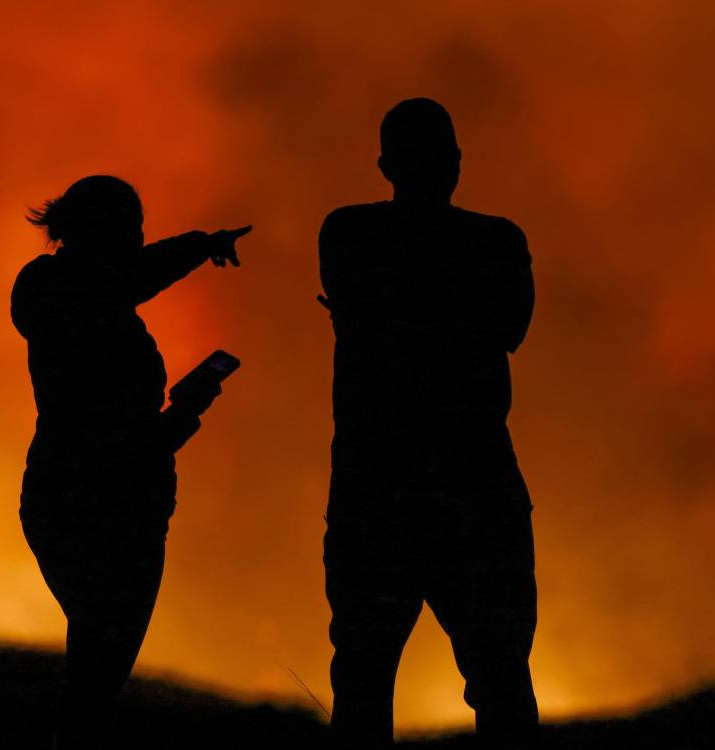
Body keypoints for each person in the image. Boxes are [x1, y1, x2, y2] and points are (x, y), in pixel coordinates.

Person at [317, 98, 539, 749]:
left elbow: (368, 310)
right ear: (456, 162)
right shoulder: (495, 240)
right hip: (474, 487)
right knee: (500, 680)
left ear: (384, 164)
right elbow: (509, 327)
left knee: (362, 681)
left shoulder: (349, 234)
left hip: (375, 489)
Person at [10, 175, 250, 748]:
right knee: (96, 683)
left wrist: (181, 415)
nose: (140, 240)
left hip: (89, 502)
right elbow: (124, 448)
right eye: (131, 229)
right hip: (109, 511)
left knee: (94, 673)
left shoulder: (63, 295)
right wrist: (198, 245)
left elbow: (135, 443)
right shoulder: (62, 292)